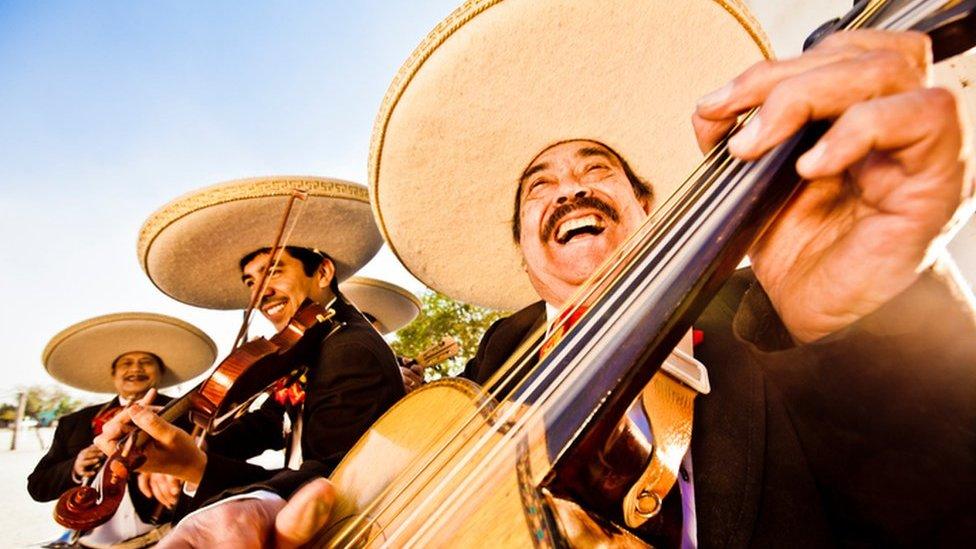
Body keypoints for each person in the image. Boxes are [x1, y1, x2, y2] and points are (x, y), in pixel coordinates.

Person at [106, 0, 976, 545]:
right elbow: (377, 485)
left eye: (596, 169)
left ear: (651, 208)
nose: (569, 191)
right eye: (539, 187)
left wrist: (869, 315)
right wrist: (250, 504)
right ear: (526, 250)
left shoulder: (773, 318)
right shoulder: (497, 358)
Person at [102, 176, 405, 531]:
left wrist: (196, 467)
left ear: (322, 272)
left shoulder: (349, 349)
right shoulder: (313, 343)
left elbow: (334, 478)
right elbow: (267, 423)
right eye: (251, 281)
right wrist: (175, 438)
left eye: (274, 271)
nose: (261, 292)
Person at [29, 313, 216, 548]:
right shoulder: (75, 422)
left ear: (159, 372)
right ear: (113, 375)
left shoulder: (188, 413)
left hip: (170, 538)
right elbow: (38, 487)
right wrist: (75, 467)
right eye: (126, 363)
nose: (135, 369)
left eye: (145, 362)